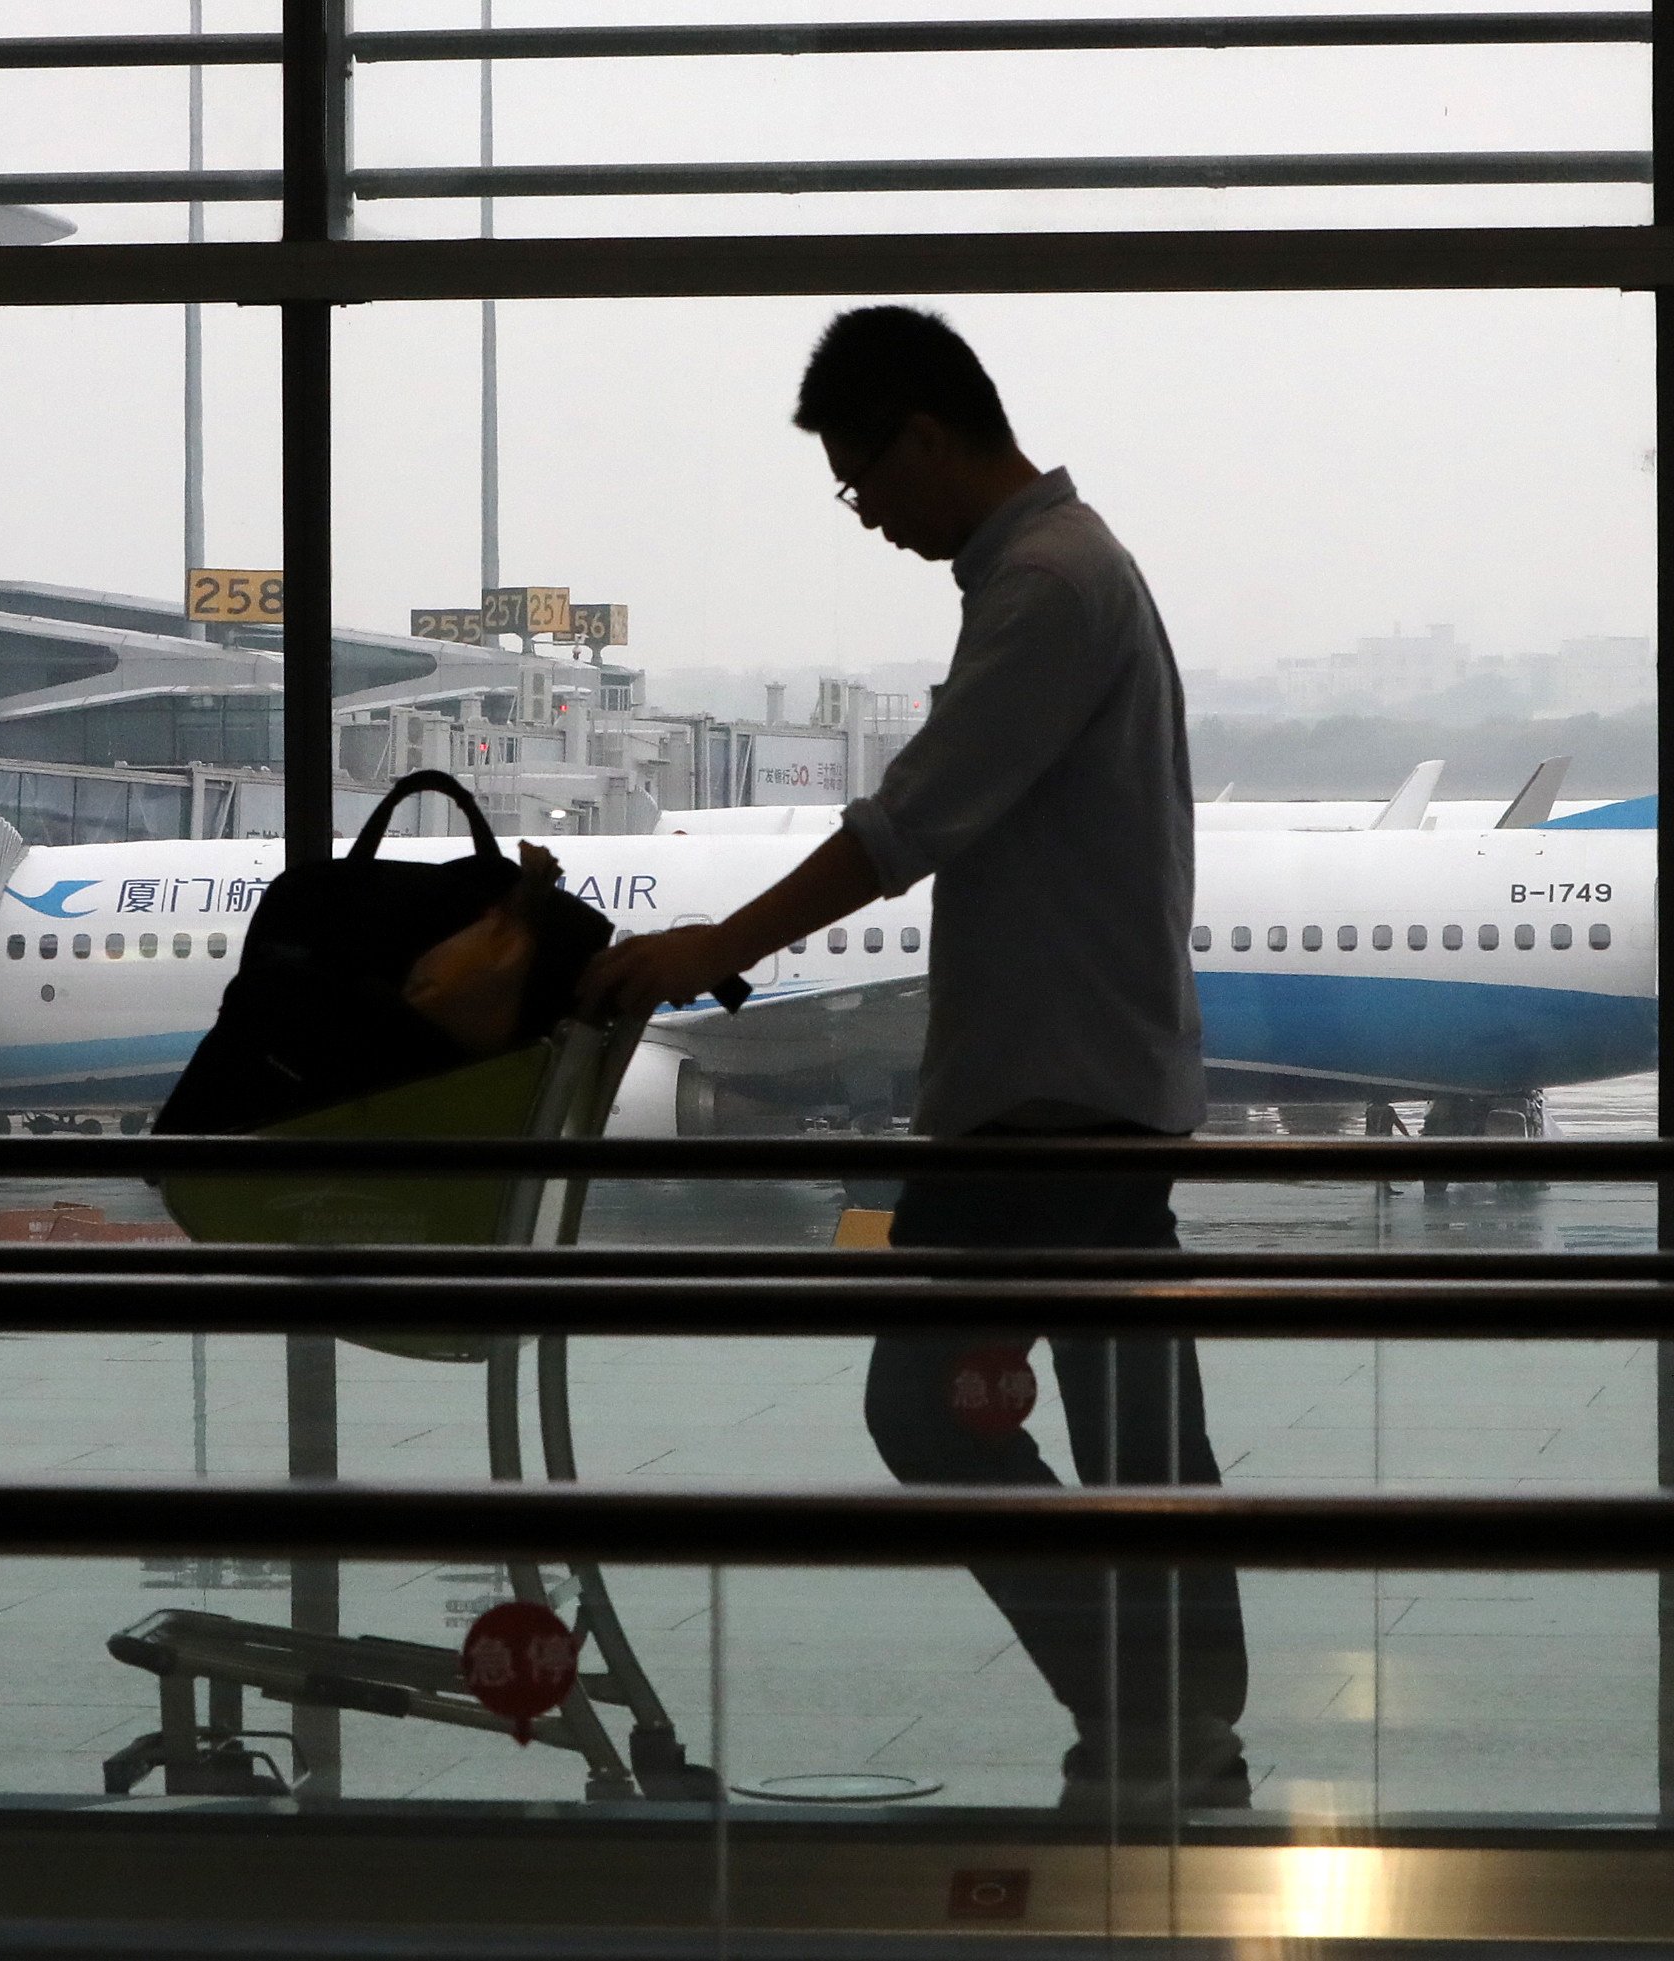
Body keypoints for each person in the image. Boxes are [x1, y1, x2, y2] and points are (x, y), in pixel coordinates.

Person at [581, 305, 1249, 1811]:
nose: (863, 512)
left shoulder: (1047, 585)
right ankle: (1174, 1716)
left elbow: (909, 822)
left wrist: (715, 943)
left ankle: (1157, 1703)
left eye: (860, 478)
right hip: (1074, 1083)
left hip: (1046, 1098)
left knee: (943, 1407)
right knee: (1136, 1426)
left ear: (927, 437)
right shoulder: (1055, 572)